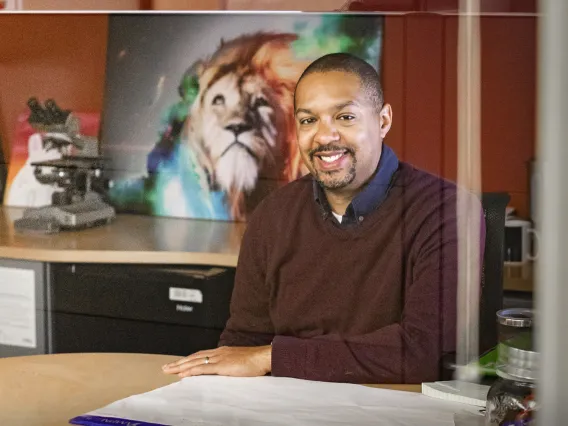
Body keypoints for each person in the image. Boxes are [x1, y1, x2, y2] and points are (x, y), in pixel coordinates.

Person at [162, 52, 485, 384]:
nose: (324, 136)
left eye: (345, 117)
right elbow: (243, 342)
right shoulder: (273, 215)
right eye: (308, 120)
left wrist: (272, 357)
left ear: (383, 121)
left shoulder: (446, 211)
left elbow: (423, 352)